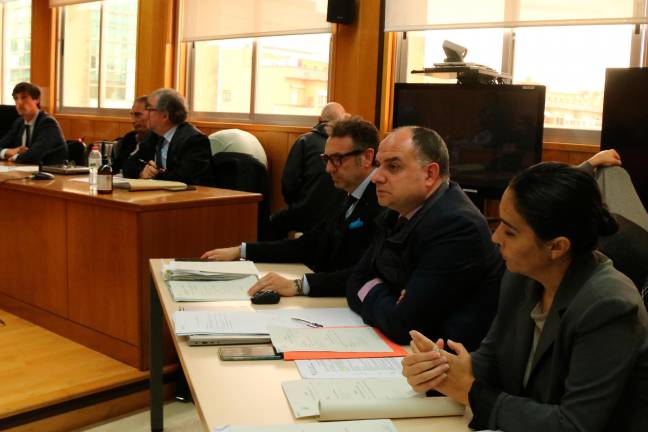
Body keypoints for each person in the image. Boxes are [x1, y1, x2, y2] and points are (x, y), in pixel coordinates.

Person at [402, 162, 648, 432]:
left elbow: (575, 425)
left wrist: (471, 390)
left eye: (510, 231)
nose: (495, 237)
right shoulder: (522, 276)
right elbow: (494, 358)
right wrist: (441, 371)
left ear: (557, 246)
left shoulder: (608, 305)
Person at [346, 126, 504, 348]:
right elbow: (356, 280)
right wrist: (390, 295)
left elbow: (403, 325)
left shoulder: (457, 226)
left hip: (447, 364)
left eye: (393, 166)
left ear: (430, 174)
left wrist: (375, 289)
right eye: (378, 165)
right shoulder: (397, 211)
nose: (376, 177)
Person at [201, 117, 383, 297]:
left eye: (337, 159)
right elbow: (308, 244)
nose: (328, 169)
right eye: (326, 159)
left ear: (367, 157)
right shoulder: (345, 193)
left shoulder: (383, 202)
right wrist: (241, 251)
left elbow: (365, 273)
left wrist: (299, 285)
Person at [268, 102, 347, 237]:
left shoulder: (305, 141)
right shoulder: (347, 144)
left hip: (307, 211)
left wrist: (296, 206)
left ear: (319, 120)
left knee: (272, 223)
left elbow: (288, 183)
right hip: (340, 213)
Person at [122, 88, 211, 185]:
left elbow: (185, 177)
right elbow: (128, 165)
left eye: (149, 109)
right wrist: (142, 171)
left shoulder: (195, 140)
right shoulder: (154, 136)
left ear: (165, 116)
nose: (146, 114)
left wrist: (154, 174)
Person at [0, 82, 66, 165]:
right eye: (16, 98)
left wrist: (14, 156)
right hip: (25, 173)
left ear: (37, 99)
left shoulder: (48, 123)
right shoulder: (19, 123)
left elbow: (34, 156)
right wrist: (8, 152)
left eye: (24, 97)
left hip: (54, 175)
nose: (19, 102)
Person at [111, 95, 151, 174]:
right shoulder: (130, 138)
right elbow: (116, 167)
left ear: (152, 114)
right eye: (132, 115)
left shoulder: (158, 139)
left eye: (138, 115)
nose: (133, 120)